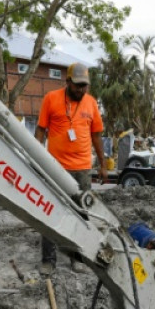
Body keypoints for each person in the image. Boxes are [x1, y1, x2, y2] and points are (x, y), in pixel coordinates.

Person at [34, 62, 108, 275]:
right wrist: (35, 157)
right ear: (67, 82)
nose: (81, 90)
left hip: (83, 169)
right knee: (50, 210)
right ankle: (48, 260)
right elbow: (40, 130)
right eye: (77, 86)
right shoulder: (51, 99)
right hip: (55, 167)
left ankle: (77, 258)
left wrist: (103, 165)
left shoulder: (91, 103)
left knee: (81, 215)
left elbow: (96, 135)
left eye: (84, 86)